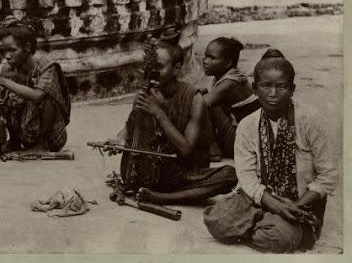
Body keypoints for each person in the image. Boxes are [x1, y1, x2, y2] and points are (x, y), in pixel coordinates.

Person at [204, 56, 338, 253]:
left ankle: (266, 227)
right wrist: (274, 205)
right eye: (266, 85)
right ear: (254, 88)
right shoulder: (247, 125)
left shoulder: (310, 119)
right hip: (260, 197)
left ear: (292, 90)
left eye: (281, 87)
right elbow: (247, 177)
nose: (273, 94)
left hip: (301, 203)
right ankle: (266, 222)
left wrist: (292, 207)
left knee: (278, 239)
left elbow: (328, 176)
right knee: (215, 220)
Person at [101, 42, 237, 205]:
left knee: (229, 175)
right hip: (143, 173)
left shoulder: (194, 99)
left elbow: (186, 148)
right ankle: (152, 190)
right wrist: (120, 140)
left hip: (181, 173)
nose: (152, 72)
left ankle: (164, 198)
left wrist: (159, 112)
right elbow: (130, 126)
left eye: (158, 67)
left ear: (177, 68)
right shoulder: (145, 93)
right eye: (149, 66)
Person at [0, 21, 71, 152]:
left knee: (47, 96)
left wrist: (2, 81)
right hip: (24, 133)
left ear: (27, 47)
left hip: (53, 138)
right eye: (4, 51)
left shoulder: (46, 66)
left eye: (12, 50)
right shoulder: (7, 69)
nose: (7, 56)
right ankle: (14, 140)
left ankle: (42, 144)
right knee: (6, 96)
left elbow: (37, 95)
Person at [202, 37, 259, 159]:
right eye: (205, 56)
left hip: (243, 144)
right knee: (203, 96)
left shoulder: (229, 83)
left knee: (206, 105)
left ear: (228, 62)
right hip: (242, 136)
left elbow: (202, 103)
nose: (205, 61)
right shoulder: (225, 76)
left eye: (212, 58)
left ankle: (213, 150)